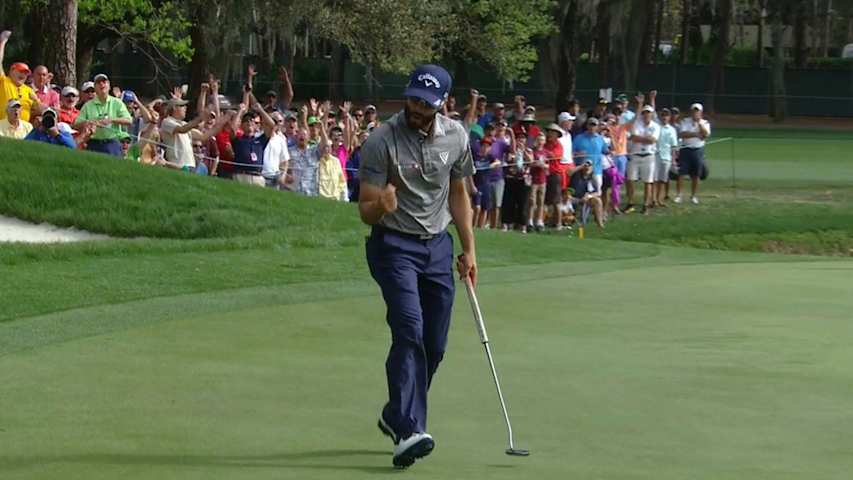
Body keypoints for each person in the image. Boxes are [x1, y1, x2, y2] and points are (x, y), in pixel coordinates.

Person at [358, 64, 475, 469]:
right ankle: (408, 429)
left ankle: (396, 413)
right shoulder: (381, 141)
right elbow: (366, 211)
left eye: (426, 103)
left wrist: (469, 249)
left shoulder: (456, 136)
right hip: (394, 246)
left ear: (443, 103)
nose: (416, 108)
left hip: (438, 248)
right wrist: (381, 205)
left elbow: (458, 194)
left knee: (435, 345)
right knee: (409, 328)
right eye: (412, 99)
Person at [74, 74, 132, 156]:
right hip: (93, 143)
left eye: (104, 82)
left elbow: (129, 120)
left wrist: (111, 120)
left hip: (112, 143)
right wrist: (88, 123)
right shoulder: (88, 105)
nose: (102, 84)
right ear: (95, 87)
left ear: (109, 85)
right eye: (98, 82)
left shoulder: (117, 103)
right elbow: (76, 125)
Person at [231, 93, 276, 186]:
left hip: (257, 177)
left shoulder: (261, 140)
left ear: (256, 125)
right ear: (242, 125)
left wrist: (261, 110)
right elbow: (232, 129)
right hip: (241, 175)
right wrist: (240, 111)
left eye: (252, 120)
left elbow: (272, 125)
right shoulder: (238, 140)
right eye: (246, 120)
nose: (249, 122)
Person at [627, 104, 661, 214]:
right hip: (635, 154)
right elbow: (633, 137)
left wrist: (640, 138)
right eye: (645, 112)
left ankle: (646, 205)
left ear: (651, 114)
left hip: (649, 155)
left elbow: (652, 140)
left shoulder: (656, 126)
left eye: (648, 112)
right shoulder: (637, 124)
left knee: (648, 182)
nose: (646, 114)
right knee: (630, 180)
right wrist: (645, 139)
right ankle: (630, 203)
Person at [0, 31, 39, 122]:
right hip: (4, 129)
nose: (23, 75)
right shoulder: (4, 81)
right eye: (21, 71)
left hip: (23, 131)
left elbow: (38, 109)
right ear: (11, 70)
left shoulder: (29, 90)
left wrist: (36, 101)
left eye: (26, 73)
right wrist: (3, 42)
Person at [676, 103, 711, 204]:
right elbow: (682, 134)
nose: (695, 113)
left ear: (701, 112)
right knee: (681, 173)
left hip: (698, 150)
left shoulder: (705, 122)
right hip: (685, 149)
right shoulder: (685, 121)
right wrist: (696, 134)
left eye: (697, 111)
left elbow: (705, 134)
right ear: (691, 111)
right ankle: (679, 195)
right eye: (694, 111)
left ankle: (694, 196)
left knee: (696, 174)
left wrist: (699, 124)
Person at [572, 117, 609, 195]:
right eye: (590, 125)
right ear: (587, 126)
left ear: (597, 127)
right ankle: (582, 205)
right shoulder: (579, 138)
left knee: (597, 191)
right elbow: (572, 153)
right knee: (582, 191)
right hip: (582, 170)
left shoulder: (600, 138)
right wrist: (578, 154)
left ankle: (594, 205)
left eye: (594, 125)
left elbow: (605, 151)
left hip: (597, 169)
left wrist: (611, 152)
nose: (592, 127)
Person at [568, 160, 605, 228]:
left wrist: (589, 196)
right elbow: (569, 173)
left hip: (584, 198)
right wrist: (581, 166)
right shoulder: (576, 174)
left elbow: (598, 192)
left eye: (589, 166)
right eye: (586, 166)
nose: (587, 167)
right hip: (572, 198)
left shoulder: (593, 177)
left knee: (597, 201)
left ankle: (600, 225)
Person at [542, 124, 566, 229]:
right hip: (544, 174)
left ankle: (558, 223)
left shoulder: (558, 145)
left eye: (552, 132)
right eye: (548, 132)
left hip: (555, 175)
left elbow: (554, 156)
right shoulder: (544, 144)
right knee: (544, 200)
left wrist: (543, 152)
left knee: (556, 201)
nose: (549, 134)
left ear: (557, 134)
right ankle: (543, 221)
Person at [654, 108, 679, 207]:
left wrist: (673, 160)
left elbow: (674, 146)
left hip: (666, 157)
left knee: (662, 180)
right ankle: (653, 199)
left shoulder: (672, 130)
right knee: (654, 179)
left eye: (666, 115)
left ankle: (659, 199)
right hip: (655, 156)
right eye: (663, 115)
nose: (665, 117)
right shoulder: (656, 127)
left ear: (669, 117)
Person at [262, 110, 291, 188]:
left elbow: (285, 161)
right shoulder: (257, 137)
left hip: (274, 177)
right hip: (260, 176)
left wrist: (283, 175)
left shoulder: (281, 140)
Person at [527, 133, 548, 231]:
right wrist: (536, 164)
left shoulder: (545, 152)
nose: (540, 142)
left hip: (542, 180)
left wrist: (543, 165)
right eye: (539, 140)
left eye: (542, 140)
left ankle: (539, 221)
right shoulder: (533, 152)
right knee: (532, 201)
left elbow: (548, 166)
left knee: (541, 201)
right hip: (534, 180)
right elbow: (530, 164)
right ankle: (530, 221)